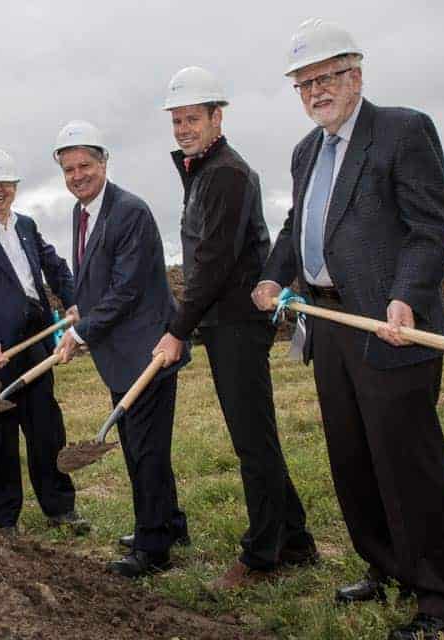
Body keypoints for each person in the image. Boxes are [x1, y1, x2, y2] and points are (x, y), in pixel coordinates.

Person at [251, 20, 444, 639]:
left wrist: (407, 297)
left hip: (389, 325)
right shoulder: (305, 151)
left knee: (407, 463)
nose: (315, 91)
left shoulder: (402, 130)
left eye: (325, 77)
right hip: (330, 324)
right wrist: (274, 276)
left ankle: (442, 602)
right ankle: (386, 566)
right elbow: (299, 223)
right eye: (304, 83)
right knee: (353, 458)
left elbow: (430, 227)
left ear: (355, 75)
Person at [152, 67, 317, 590]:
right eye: (177, 120)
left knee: (252, 441)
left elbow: (213, 261)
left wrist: (178, 328)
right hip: (226, 319)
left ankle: (263, 556)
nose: (182, 128)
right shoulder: (202, 170)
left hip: (239, 320)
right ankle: (295, 540)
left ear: (216, 117)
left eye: (192, 118)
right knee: (255, 436)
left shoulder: (226, 173)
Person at [52, 120, 189, 578]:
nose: (77, 176)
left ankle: (153, 549)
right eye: (69, 169)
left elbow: (127, 287)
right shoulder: (82, 212)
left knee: (145, 450)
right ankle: (167, 522)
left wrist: (83, 331)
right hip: (120, 352)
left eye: (84, 165)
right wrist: (79, 310)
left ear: (104, 162)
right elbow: (96, 277)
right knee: (138, 445)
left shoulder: (129, 211)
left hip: (146, 350)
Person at [0, 148, 86, 537]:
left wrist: (73, 298)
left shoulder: (26, 225)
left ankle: (60, 507)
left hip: (31, 343)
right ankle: (3, 518)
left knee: (46, 429)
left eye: (5, 184)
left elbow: (53, 266)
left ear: (15, 188)